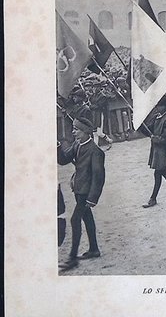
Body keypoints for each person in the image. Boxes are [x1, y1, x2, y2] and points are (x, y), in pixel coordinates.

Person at [57, 116, 106, 271]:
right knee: (87, 218)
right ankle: (94, 249)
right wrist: (58, 146)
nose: (73, 131)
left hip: (86, 193)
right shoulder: (77, 145)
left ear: (86, 132)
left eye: (76, 129)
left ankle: (72, 259)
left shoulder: (95, 151)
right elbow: (63, 160)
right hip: (78, 189)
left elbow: (99, 177)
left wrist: (92, 198)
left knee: (74, 220)